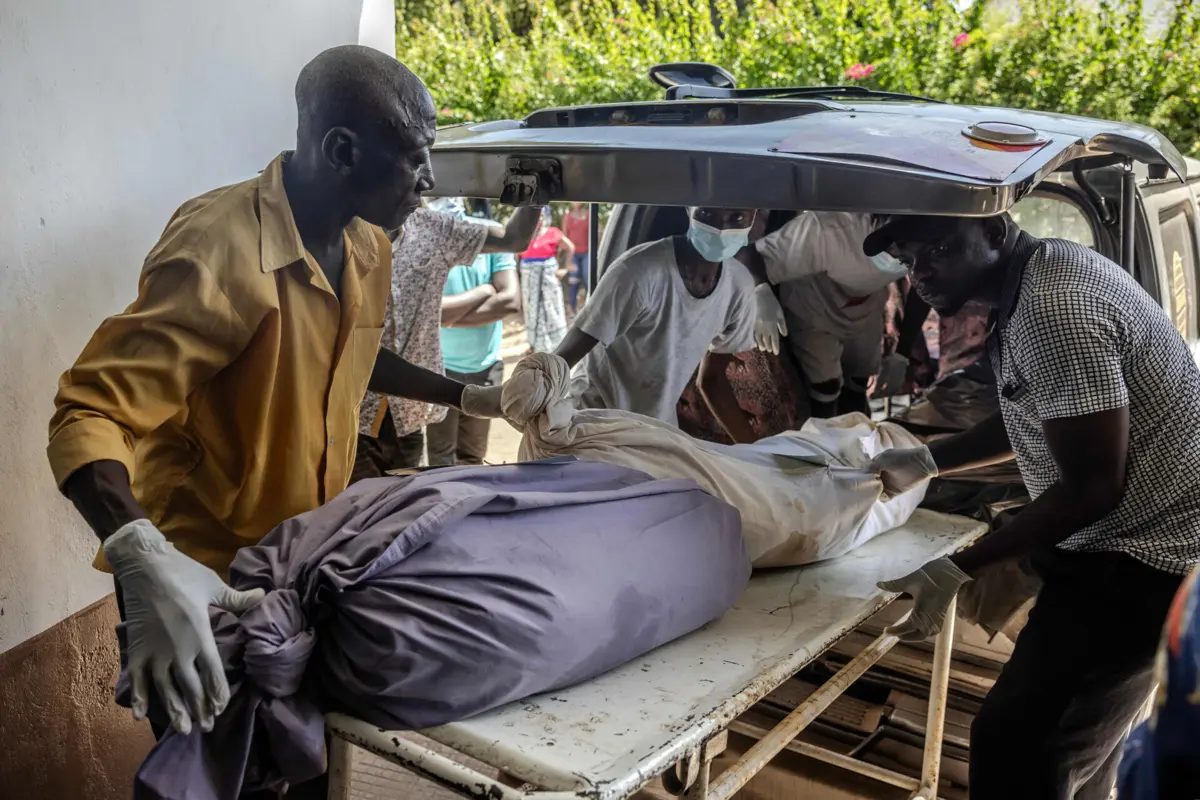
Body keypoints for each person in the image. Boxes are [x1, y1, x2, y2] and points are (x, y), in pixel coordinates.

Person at [44, 47, 503, 771]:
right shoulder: (218, 249)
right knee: (204, 772)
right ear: (342, 150)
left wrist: (467, 395)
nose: (429, 180)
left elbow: (351, 351)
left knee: (295, 768)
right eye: (416, 158)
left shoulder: (366, 245)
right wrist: (141, 555)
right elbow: (91, 411)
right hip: (201, 589)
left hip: (300, 573)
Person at [864, 214, 1200, 799]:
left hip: (1142, 556)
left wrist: (956, 568)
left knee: (1017, 746)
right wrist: (931, 459)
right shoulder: (1039, 275)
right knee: (1075, 747)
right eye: (909, 259)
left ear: (994, 233)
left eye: (939, 249)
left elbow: (1094, 487)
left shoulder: (1053, 306)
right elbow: (1049, 404)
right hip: (1144, 544)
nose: (921, 273)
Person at [353, 195, 538, 480]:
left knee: (403, 506)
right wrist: (481, 293)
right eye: (413, 161)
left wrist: (534, 192)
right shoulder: (341, 232)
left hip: (409, 417)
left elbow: (514, 240)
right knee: (353, 509)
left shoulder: (434, 229)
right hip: (349, 417)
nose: (425, 181)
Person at [552, 207, 761, 443]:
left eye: (737, 217)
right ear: (689, 210)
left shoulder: (738, 288)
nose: (722, 229)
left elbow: (712, 381)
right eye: (708, 215)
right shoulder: (638, 272)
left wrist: (755, 453)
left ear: (755, 217)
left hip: (656, 431)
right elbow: (562, 358)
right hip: (595, 425)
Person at [740, 211, 907, 417]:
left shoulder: (927, 242)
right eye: (893, 247)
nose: (900, 255)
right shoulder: (826, 229)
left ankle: (857, 438)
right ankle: (823, 440)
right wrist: (760, 291)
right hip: (813, 304)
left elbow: (926, 289)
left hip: (867, 303)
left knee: (859, 381)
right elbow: (748, 255)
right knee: (825, 386)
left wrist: (903, 351)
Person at [426, 198, 520, 466]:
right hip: (438, 371)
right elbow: (432, 309)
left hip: (485, 371)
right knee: (439, 460)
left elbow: (511, 301)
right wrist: (484, 291)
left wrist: (446, 317)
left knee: (472, 457)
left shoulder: (492, 236)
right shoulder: (424, 238)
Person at [519, 207, 574, 353]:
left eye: (541, 215)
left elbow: (570, 247)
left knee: (551, 309)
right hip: (529, 280)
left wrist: (565, 268)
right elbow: (516, 255)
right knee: (532, 310)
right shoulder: (524, 234)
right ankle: (534, 344)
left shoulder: (552, 232)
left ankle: (557, 345)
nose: (539, 218)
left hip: (548, 280)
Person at [562, 202, 591, 313]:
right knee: (573, 281)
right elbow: (564, 237)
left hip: (587, 252)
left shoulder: (589, 215)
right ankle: (572, 309)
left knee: (588, 278)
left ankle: (592, 307)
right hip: (573, 254)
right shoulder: (567, 217)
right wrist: (567, 259)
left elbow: (594, 234)